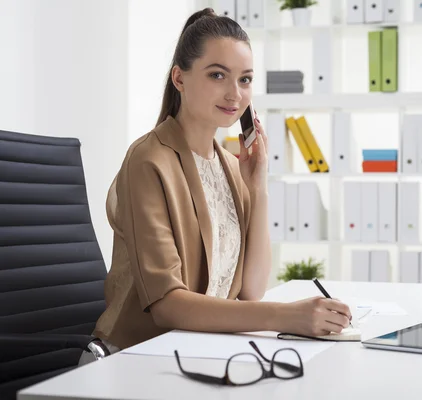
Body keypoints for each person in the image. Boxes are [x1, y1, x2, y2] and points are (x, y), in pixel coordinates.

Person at [90, 8, 352, 354]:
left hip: (206, 350)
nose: (235, 94)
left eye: (245, 79)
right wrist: (286, 317)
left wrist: (257, 187)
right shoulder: (149, 160)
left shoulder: (231, 166)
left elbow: (252, 289)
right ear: (179, 79)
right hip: (140, 354)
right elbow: (168, 305)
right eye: (217, 75)